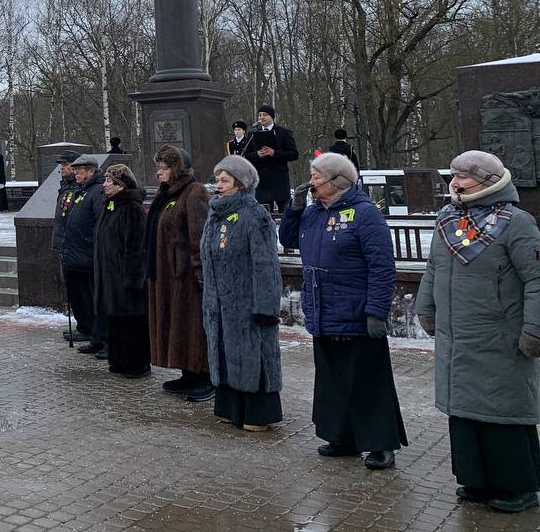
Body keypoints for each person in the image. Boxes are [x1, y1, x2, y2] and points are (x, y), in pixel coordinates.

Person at [415, 150, 540, 514]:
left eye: (463, 177)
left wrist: (534, 328)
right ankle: (477, 478)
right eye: (452, 177)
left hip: (499, 335)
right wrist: (426, 306)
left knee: (502, 411)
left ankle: (520, 485)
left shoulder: (517, 223)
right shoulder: (448, 218)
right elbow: (434, 267)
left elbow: (536, 278)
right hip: (458, 334)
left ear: (487, 182)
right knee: (465, 411)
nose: (455, 183)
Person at [279, 151, 406, 469]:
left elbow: (382, 266)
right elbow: (288, 238)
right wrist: (294, 209)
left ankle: (380, 444)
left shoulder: (365, 214)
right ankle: (342, 436)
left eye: (316, 177)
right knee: (333, 381)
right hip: (323, 311)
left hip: (356, 314)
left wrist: (376, 311)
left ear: (337, 182)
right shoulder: (312, 212)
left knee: (367, 382)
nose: (310, 182)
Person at [201, 155, 284, 431]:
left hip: (248, 304)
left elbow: (266, 266)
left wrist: (266, 308)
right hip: (220, 303)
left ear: (241, 183)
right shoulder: (215, 215)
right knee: (225, 352)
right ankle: (230, 407)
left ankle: (257, 413)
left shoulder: (254, 216)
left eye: (225, 180)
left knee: (251, 355)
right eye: (217, 179)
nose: (218, 185)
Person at [147, 145, 213, 401]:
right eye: (158, 168)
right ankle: (188, 373)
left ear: (176, 168)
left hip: (187, 276)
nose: (158, 173)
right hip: (168, 275)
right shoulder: (166, 194)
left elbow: (199, 236)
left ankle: (204, 376)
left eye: (163, 168)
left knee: (194, 326)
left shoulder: (194, 192)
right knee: (179, 326)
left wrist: (200, 272)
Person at [94, 164, 150, 378]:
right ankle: (119, 360)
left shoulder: (132, 209)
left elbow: (136, 247)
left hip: (126, 278)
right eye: (105, 180)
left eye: (110, 181)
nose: (105, 184)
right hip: (111, 277)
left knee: (132, 323)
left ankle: (137, 363)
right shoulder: (110, 206)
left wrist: (133, 279)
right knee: (117, 322)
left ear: (121, 186)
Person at [63, 155, 106, 358]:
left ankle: (98, 336)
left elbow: (99, 222)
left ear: (91, 171)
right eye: (76, 170)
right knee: (80, 298)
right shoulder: (82, 191)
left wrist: (91, 245)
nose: (76, 174)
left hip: (87, 257)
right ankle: (89, 331)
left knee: (93, 300)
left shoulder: (97, 191)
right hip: (75, 256)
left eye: (80, 171)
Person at [239, 106, 299, 212]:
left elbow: (294, 154)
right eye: (260, 115)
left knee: (285, 211)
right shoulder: (252, 134)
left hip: (279, 179)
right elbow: (246, 155)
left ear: (272, 117)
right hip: (262, 180)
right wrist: (257, 154)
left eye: (265, 115)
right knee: (263, 213)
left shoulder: (283, 132)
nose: (261, 117)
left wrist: (274, 153)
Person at [50, 150, 82, 340]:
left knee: (81, 292)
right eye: (61, 165)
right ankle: (82, 324)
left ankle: (87, 326)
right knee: (72, 289)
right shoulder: (66, 187)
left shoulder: (77, 188)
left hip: (74, 245)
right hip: (65, 243)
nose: (62, 168)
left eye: (66, 165)